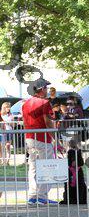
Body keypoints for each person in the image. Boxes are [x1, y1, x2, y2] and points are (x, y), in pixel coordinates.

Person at [21, 77, 58, 205]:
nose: (47, 90)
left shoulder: (25, 103)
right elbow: (48, 122)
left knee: (33, 167)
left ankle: (32, 196)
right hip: (43, 138)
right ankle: (42, 196)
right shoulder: (44, 103)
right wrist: (56, 139)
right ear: (42, 89)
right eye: (46, 88)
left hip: (30, 138)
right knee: (47, 166)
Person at [60, 139, 87, 205]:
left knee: (82, 186)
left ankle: (81, 200)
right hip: (71, 170)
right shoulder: (69, 152)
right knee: (67, 186)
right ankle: (67, 200)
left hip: (78, 170)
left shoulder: (79, 152)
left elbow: (81, 162)